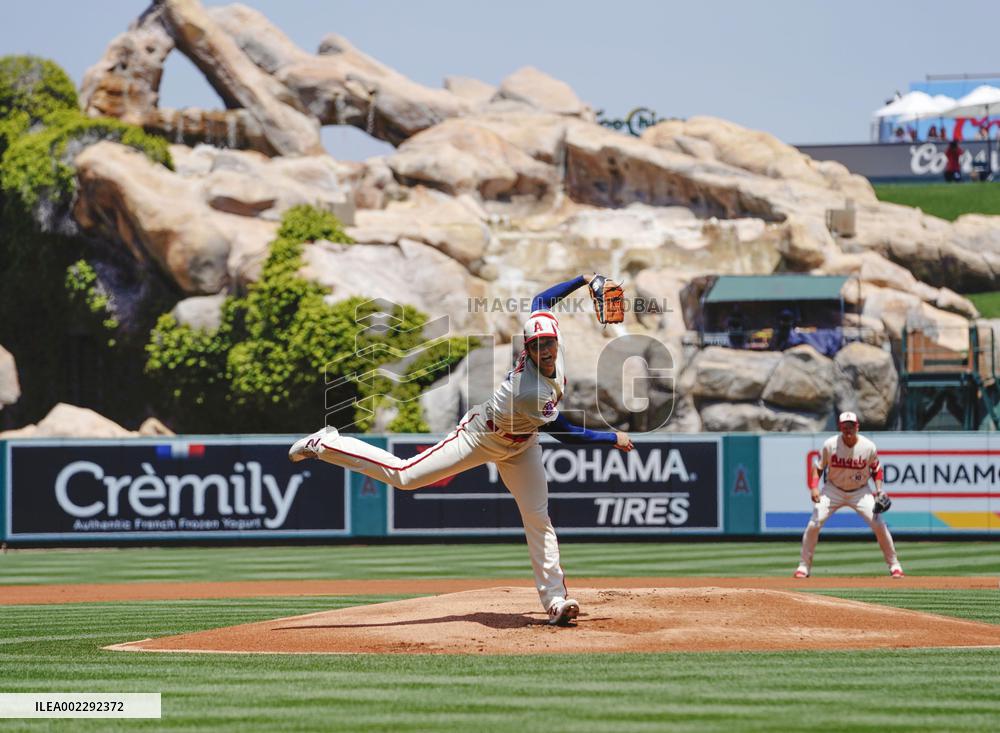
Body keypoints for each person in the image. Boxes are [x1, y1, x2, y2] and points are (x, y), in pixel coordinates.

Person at [289, 273, 635, 626]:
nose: (544, 351)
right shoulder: (530, 389)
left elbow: (541, 301)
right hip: (481, 436)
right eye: (536, 346)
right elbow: (566, 434)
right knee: (405, 476)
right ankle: (327, 442)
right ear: (527, 349)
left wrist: (583, 279)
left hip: (522, 445)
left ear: (556, 339)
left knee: (537, 517)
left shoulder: (549, 349)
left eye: (548, 343)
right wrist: (612, 439)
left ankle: (556, 601)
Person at [794, 412, 903, 579]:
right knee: (813, 524)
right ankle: (804, 566)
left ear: (857, 427)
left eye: (851, 426)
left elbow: (876, 470)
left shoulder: (868, 447)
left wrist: (879, 490)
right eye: (845, 426)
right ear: (840, 427)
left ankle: (894, 565)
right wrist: (814, 487)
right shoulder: (830, 445)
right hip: (833, 490)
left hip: (860, 491)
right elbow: (818, 467)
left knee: (879, 525)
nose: (848, 429)